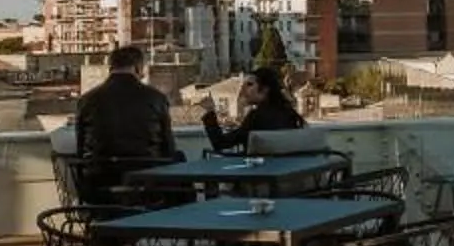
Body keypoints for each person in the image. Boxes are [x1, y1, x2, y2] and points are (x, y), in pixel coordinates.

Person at [72, 45, 179, 201]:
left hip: (98, 185)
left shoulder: (87, 100)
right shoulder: (156, 98)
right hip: (147, 184)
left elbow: (80, 148)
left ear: (111, 67)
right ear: (138, 67)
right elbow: (168, 147)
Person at [204, 65, 307, 152]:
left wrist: (209, 112)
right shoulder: (288, 114)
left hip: (257, 173)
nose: (243, 89)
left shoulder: (257, 116)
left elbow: (220, 143)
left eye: (249, 85)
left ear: (265, 89)